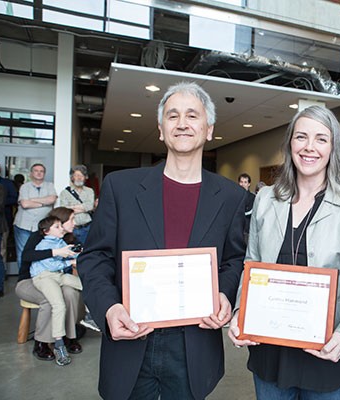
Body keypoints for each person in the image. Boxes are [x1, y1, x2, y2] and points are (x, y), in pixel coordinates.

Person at [78, 81, 247, 400]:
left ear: (209, 129)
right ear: (160, 129)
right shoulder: (121, 188)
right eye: (173, 116)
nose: (182, 123)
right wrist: (109, 308)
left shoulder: (231, 197)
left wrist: (224, 293)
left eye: (192, 115)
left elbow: (234, 260)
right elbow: (95, 257)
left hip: (193, 345)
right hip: (132, 337)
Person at [228, 105, 340, 399]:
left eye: (321, 139)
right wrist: (240, 313)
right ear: (290, 143)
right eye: (301, 137)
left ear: (334, 147)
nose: (310, 147)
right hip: (270, 352)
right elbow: (252, 264)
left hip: (327, 352)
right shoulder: (266, 199)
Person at [16, 207, 85, 361]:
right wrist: (56, 253)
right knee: (49, 300)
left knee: (70, 293)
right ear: (59, 222)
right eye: (71, 220)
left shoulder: (68, 239)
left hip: (57, 277)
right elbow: (27, 256)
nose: (74, 223)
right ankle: (42, 343)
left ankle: (70, 336)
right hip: (30, 280)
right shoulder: (39, 236)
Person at [13, 163, 57, 269]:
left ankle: (37, 278)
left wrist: (32, 200)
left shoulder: (50, 186)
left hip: (42, 227)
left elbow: (52, 199)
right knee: (23, 253)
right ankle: (23, 280)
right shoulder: (25, 186)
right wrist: (44, 202)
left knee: (40, 252)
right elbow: (25, 204)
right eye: (36, 171)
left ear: (44, 173)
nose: (39, 173)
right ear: (31, 173)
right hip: (24, 225)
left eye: (41, 171)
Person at [59, 165, 95, 245]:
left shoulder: (89, 191)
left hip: (87, 227)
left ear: (85, 177)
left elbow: (90, 206)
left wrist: (72, 207)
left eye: (81, 175)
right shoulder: (65, 192)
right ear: (72, 177)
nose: (79, 178)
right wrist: (83, 207)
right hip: (71, 229)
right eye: (76, 175)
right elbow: (64, 210)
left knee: (87, 249)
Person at [0, 160, 18, 263]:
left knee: (1, 250)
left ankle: (1, 275)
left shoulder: (7, 183)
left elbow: (14, 198)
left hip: (2, 222)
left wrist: (0, 202)